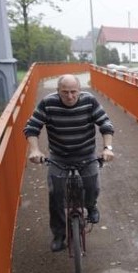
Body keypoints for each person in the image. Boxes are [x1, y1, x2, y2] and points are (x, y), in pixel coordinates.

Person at [24, 74, 115, 252]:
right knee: (55, 194)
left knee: (92, 185)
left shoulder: (89, 101)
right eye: (65, 92)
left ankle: (91, 206)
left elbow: (105, 123)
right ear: (57, 91)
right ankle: (59, 234)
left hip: (86, 154)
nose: (70, 96)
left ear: (80, 91)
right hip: (59, 156)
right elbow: (32, 127)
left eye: (74, 92)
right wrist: (34, 150)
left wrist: (108, 148)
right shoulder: (48, 103)